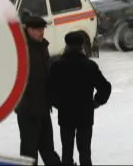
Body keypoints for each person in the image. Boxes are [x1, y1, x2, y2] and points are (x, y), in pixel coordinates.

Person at [48, 31, 112, 166]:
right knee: (85, 152)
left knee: (67, 152)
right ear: (82, 46)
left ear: (66, 46)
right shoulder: (89, 66)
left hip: (66, 115)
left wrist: (58, 104)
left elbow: (49, 90)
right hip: (85, 115)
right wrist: (96, 102)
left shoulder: (57, 66)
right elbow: (105, 87)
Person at [15, 15, 61, 165]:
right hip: (28, 110)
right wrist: (25, 104)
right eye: (38, 29)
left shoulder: (41, 46)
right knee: (29, 151)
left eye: (43, 29)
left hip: (43, 106)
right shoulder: (21, 49)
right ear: (29, 30)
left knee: (47, 147)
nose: (42, 32)